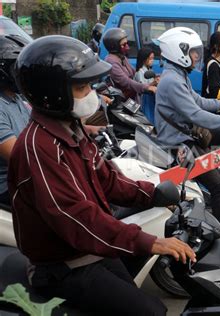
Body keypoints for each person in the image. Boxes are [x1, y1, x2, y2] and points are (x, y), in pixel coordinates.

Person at [9, 35, 195, 315]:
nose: (91, 94)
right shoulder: (38, 146)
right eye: (82, 87)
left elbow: (108, 178)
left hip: (85, 253)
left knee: (135, 290)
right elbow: (76, 215)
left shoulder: (71, 129)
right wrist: (152, 241)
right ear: (52, 92)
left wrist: (153, 194)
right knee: (152, 311)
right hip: (61, 267)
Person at [154, 27, 220, 229]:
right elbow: (195, 114)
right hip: (179, 143)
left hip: (186, 136)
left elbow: (198, 102)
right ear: (178, 52)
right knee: (218, 186)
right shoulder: (172, 81)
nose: (197, 56)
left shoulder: (179, 75)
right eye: (193, 52)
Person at [0, 34, 31, 205]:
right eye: (17, 69)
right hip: (8, 186)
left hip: (27, 176)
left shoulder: (19, 99)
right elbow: (20, 156)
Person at [103, 28, 156, 102]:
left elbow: (134, 73)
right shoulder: (112, 62)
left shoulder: (122, 57)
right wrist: (147, 88)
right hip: (122, 102)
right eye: (124, 44)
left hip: (131, 99)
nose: (127, 47)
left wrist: (155, 80)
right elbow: (126, 82)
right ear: (114, 46)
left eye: (127, 43)